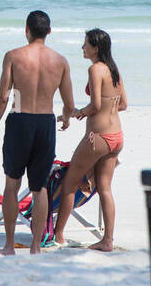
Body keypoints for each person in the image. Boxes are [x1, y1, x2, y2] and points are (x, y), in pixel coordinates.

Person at [0, 10, 76, 254]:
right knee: (40, 188)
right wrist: (66, 119)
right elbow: (68, 103)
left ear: (26, 30)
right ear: (49, 32)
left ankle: (8, 246)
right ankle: (36, 246)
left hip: (19, 120)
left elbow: (4, 97)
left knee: (12, 184)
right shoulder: (60, 61)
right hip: (45, 123)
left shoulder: (13, 56)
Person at [54, 28, 127, 252]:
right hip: (117, 136)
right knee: (105, 188)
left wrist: (79, 113)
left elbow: (95, 105)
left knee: (70, 183)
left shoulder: (95, 69)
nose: (82, 48)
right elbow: (123, 104)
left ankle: (58, 235)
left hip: (98, 137)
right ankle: (108, 240)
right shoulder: (114, 70)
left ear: (95, 48)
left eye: (85, 44)